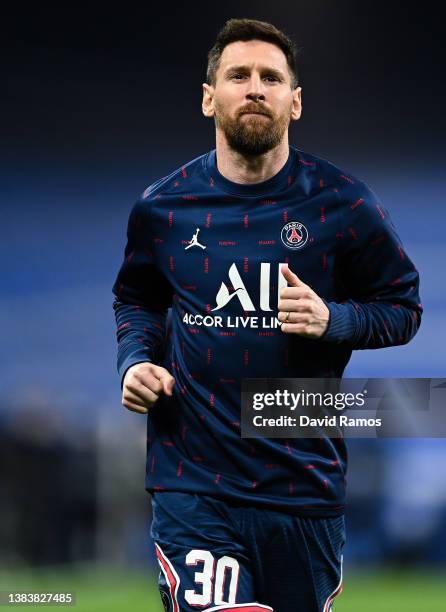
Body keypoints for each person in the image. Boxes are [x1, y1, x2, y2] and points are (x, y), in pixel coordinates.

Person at [112, 18, 422, 612]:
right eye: (238, 75)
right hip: (193, 481)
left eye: (270, 77)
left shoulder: (346, 204)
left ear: (294, 101)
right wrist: (135, 360)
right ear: (210, 98)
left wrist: (335, 319)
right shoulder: (162, 209)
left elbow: (403, 308)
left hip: (302, 483)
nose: (255, 87)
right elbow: (138, 299)